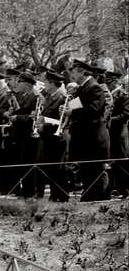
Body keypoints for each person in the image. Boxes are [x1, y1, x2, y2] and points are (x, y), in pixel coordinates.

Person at [65, 59, 111, 201]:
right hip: (85, 136)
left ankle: (99, 197)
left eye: (73, 71)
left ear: (82, 72)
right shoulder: (82, 87)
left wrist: (72, 112)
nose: (71, 74)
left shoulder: (94, 87)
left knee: (95, 169)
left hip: (93, 137)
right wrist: (68, 109)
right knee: (87, 169)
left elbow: (94, 110)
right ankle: (91, 194)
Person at [36, 69, 69, 202]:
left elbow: (61, 120)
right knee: (51, 168)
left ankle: (61, 195)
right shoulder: (50, 97)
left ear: (52, 83)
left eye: (46, 83)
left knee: (58, 169)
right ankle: (55, 195)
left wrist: (44, 124)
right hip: (49, 137)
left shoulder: (61, 98)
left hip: (57, 138)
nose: (44, 86)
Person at [106, 71, 129, 198]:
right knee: (115, 162)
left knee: (122, 161)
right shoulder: (112, 96)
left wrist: (109, 118)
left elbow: (125, 115)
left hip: (120, 132)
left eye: (109, 83)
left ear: (114, 82)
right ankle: (118, 189)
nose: (107, 86)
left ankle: (125, 189)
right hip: (112, 133)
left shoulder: (123, 96)